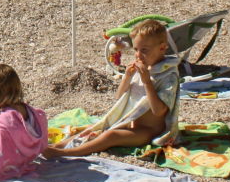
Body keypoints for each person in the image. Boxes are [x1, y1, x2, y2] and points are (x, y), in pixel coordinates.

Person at [43, 18, 181, 158]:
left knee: (111, 135)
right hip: (131, 122)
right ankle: (57, 146)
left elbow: (159, 111)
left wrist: (147, 82)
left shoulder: (167, 76)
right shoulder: (144, 69)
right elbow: (119, 97)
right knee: (96, 129)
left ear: (162, 48)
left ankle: (65, 153)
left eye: (144, 50)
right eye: (136, 49)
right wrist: (127, 77)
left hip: (149, 130)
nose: (138, 55)